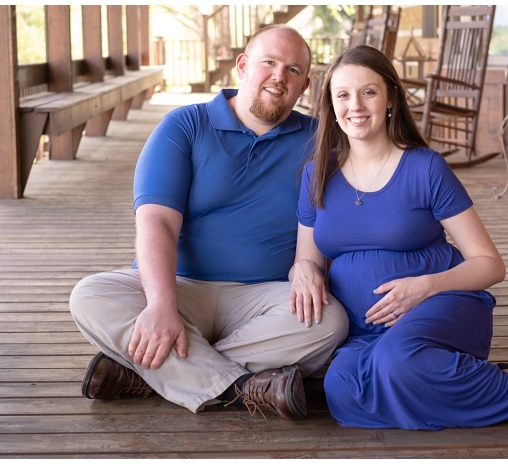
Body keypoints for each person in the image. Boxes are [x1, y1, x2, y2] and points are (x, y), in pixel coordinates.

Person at [294, 45, 508, 433]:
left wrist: (424, 287)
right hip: (365, 329)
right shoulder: (316, 174)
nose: (354, 105)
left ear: (390, 97)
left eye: (368, 92)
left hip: (443, 304)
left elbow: (490, 265)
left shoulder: (425, 168)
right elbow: (307, 260)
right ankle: (493, 380)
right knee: (341, 390)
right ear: (329, 104)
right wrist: (303, 270)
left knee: (397, 363)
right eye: (342, 94)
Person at [70, 25, 349, 420]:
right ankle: (243, 389)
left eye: (292, 69)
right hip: (179, 288)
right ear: (242, 65)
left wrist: (309, 265)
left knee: (330, 320)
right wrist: (162, 306)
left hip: (266, 297)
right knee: (89, 295)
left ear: (304, 85)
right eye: (269, 62)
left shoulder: (319, 140)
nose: (278, 76)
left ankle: (147, 372)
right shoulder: (184, 126)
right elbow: (156, 224)